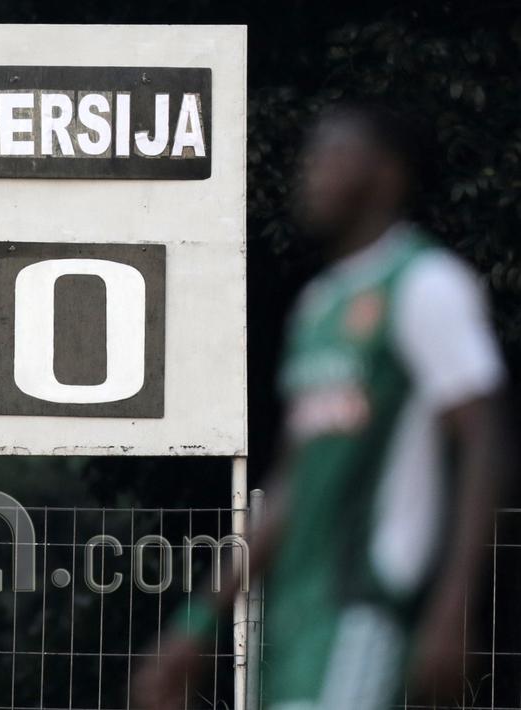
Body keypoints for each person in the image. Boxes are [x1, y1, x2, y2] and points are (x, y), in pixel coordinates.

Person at [137, 103, 511, 709]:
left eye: (335, 154)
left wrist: (455, 603)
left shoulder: (424, 284)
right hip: (295, 616)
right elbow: (291, 483)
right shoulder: (320, 307)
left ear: (386, 175)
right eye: (312, 156)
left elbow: (486, 436)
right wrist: (198, 623)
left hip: (366, 603)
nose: (311, 170)